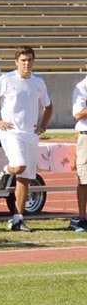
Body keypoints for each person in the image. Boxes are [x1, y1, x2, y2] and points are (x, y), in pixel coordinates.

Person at [0, 46, 51, 232]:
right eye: (23, 60)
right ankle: (5, 171)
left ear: (33, 61)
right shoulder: (6, 80)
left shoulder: (39, 82)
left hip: (31, 135)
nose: (27, 63)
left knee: (25, 178)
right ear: (16, 61)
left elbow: (48, 106)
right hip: (11, 133)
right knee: (18, 167)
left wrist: (43, 125)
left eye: (30, 60)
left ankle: (18, 218)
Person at [71, 66, 87, 231]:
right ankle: (82, 218)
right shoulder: (82, 87)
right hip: (86, 135)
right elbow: (78, 113)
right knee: (84, 179)